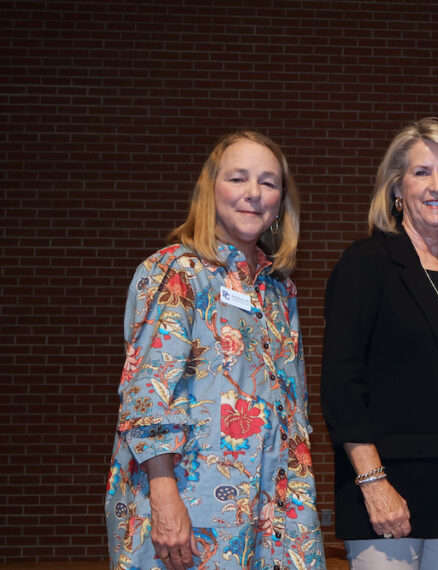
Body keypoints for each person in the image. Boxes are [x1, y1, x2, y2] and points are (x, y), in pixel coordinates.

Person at [105, 131, 325, 569]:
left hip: (276, 514)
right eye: (238, 178)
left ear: (281, 201)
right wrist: (164, 498)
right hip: (193, 510)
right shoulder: (176, 272)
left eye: (268, 182)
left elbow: (291, 408)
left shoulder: (278, 291)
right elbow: (147, 395)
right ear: (211, 190)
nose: (253, 194)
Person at [321, 117, 438, 570]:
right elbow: (342, 385)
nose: (436, 185)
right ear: (397, 188)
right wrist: (374, 483)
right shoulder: (366, 265)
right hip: (388, 489)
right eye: (422, 172)